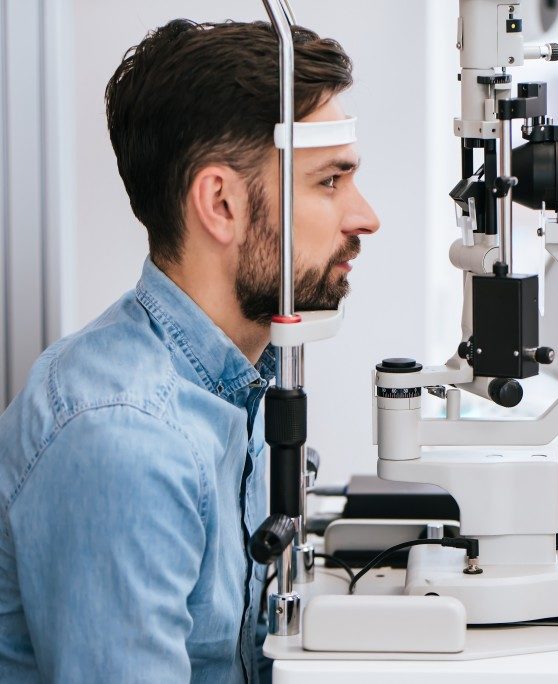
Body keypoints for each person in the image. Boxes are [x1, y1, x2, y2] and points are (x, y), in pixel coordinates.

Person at [0, 19, 379, 683]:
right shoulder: (125, 438)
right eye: (329, 181)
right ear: (221, 204)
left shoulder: (240, 386)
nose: (364, 215)